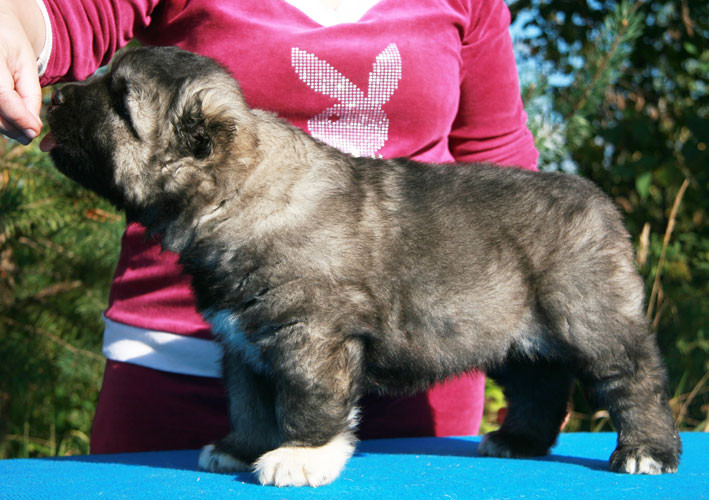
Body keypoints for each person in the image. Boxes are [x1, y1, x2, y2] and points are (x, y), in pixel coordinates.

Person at [0, 0, 538, 454]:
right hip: (177, 364)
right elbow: (71, 12)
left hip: (414, 370)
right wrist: (12, 23)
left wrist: (542, 333)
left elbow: (499, 164)